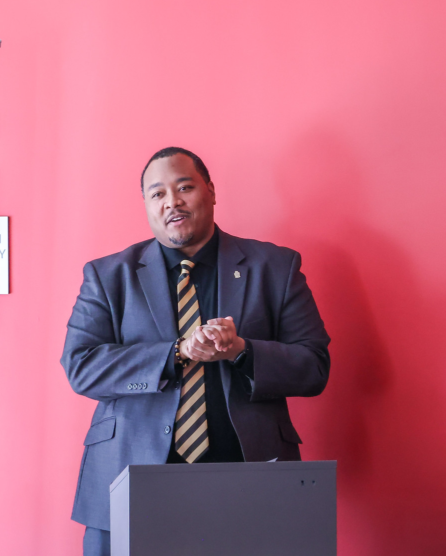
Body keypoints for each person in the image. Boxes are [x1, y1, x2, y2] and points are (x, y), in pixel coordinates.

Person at [61, 147, 331, 556]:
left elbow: (314, 367)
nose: (172, 202)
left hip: (251, 478)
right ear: (147, 206)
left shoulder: (275, 267)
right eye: (157, 194)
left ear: (211, 191)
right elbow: (81, 366)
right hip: (130, 475)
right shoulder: (107, 275)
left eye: (184, 187)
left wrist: (242, 350)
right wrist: (175, 352)